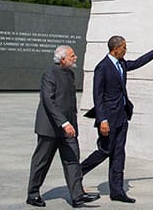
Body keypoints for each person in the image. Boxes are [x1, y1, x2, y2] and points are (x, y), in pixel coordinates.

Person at [81, 35, 153, 203]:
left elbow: (136, 63)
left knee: (118, 154)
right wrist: (102, 119)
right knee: (104, 151)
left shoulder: (121, 63)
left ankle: (117, 191)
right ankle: (77, 173)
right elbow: (97, 96)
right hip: (108, 119)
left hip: (122, 116)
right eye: (123, 47)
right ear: (115, 49)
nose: (125, 50)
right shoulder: (102, 67)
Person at [26, 45, 100, 208]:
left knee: (72, 160)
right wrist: (64, 123)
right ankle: (33, 194)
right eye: (72, 56)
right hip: (50, 128)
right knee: (42, 162)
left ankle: (77, 196)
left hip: (68, 129)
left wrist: (71, 123)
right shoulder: (49, 74)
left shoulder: (70, 74)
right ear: (62, 59)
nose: (75, 58)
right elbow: (48, 101)